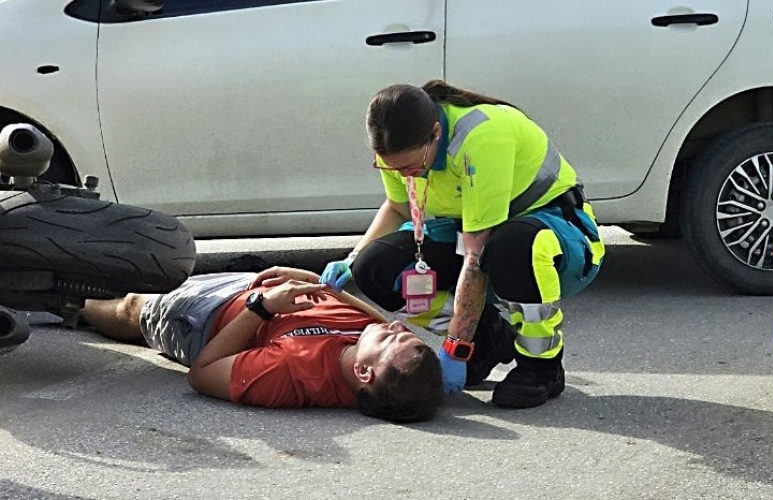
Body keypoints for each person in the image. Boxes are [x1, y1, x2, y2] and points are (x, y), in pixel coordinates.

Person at [320, 81, 606, 409]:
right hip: (469, 236)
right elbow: (398, 207)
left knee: (513, 246)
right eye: (394, 168)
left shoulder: (482, 138)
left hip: (556, 240)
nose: (404, 174)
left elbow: (475, 254)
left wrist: (455, 347)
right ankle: (489, 336)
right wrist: (352, 259)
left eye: (412, 167)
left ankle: (541, 367)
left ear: (436, 133)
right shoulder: (396, 146)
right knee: (375, 267)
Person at [79, 266, 443, 422]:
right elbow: (371, 317)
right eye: (403, 331)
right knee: (150, 269)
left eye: (393, 336)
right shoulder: (373, 351)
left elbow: (202, 374)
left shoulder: (292, 376)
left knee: (133, 307)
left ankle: (67, 303)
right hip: (252, 286)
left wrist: (262, 307)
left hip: (206, 317)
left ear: (364, 373)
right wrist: (315, 279)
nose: (394, 324)